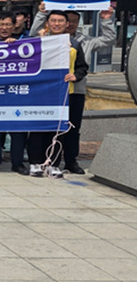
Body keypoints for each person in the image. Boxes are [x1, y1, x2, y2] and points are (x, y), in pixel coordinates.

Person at [31, 5, 116, 174]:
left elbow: (109, 39)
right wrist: (41, 13)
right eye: (54, 20)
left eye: (69, 21)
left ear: (73, 23)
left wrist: (106, 20)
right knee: (43, 125)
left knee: (72, 128)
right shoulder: (44, 39)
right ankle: (38, 160)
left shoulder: (83, 42)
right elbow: (32, 37)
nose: (64, 25)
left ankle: (70, 161)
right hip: (48, 91)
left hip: (74, 90)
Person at [28, 10, 87, 178]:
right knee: (38, 129)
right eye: (53, 20)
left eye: (60, 21)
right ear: (47, 23)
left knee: (58, 130)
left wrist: (76, 76)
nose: (57, 24)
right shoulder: (39, 42)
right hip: (41, 92)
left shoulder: (74, 44)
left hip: (64, 94)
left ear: (67, 24)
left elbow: (83, 67)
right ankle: (35, 163)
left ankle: (53, 164)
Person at [0, 11, 29, 175]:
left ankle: (17, 164)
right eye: (1, 24)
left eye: (8, 25)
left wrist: (15, 45)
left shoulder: (25, 45)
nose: (4, 28)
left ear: (14, 26)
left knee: (18, 131)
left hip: (17, 94)